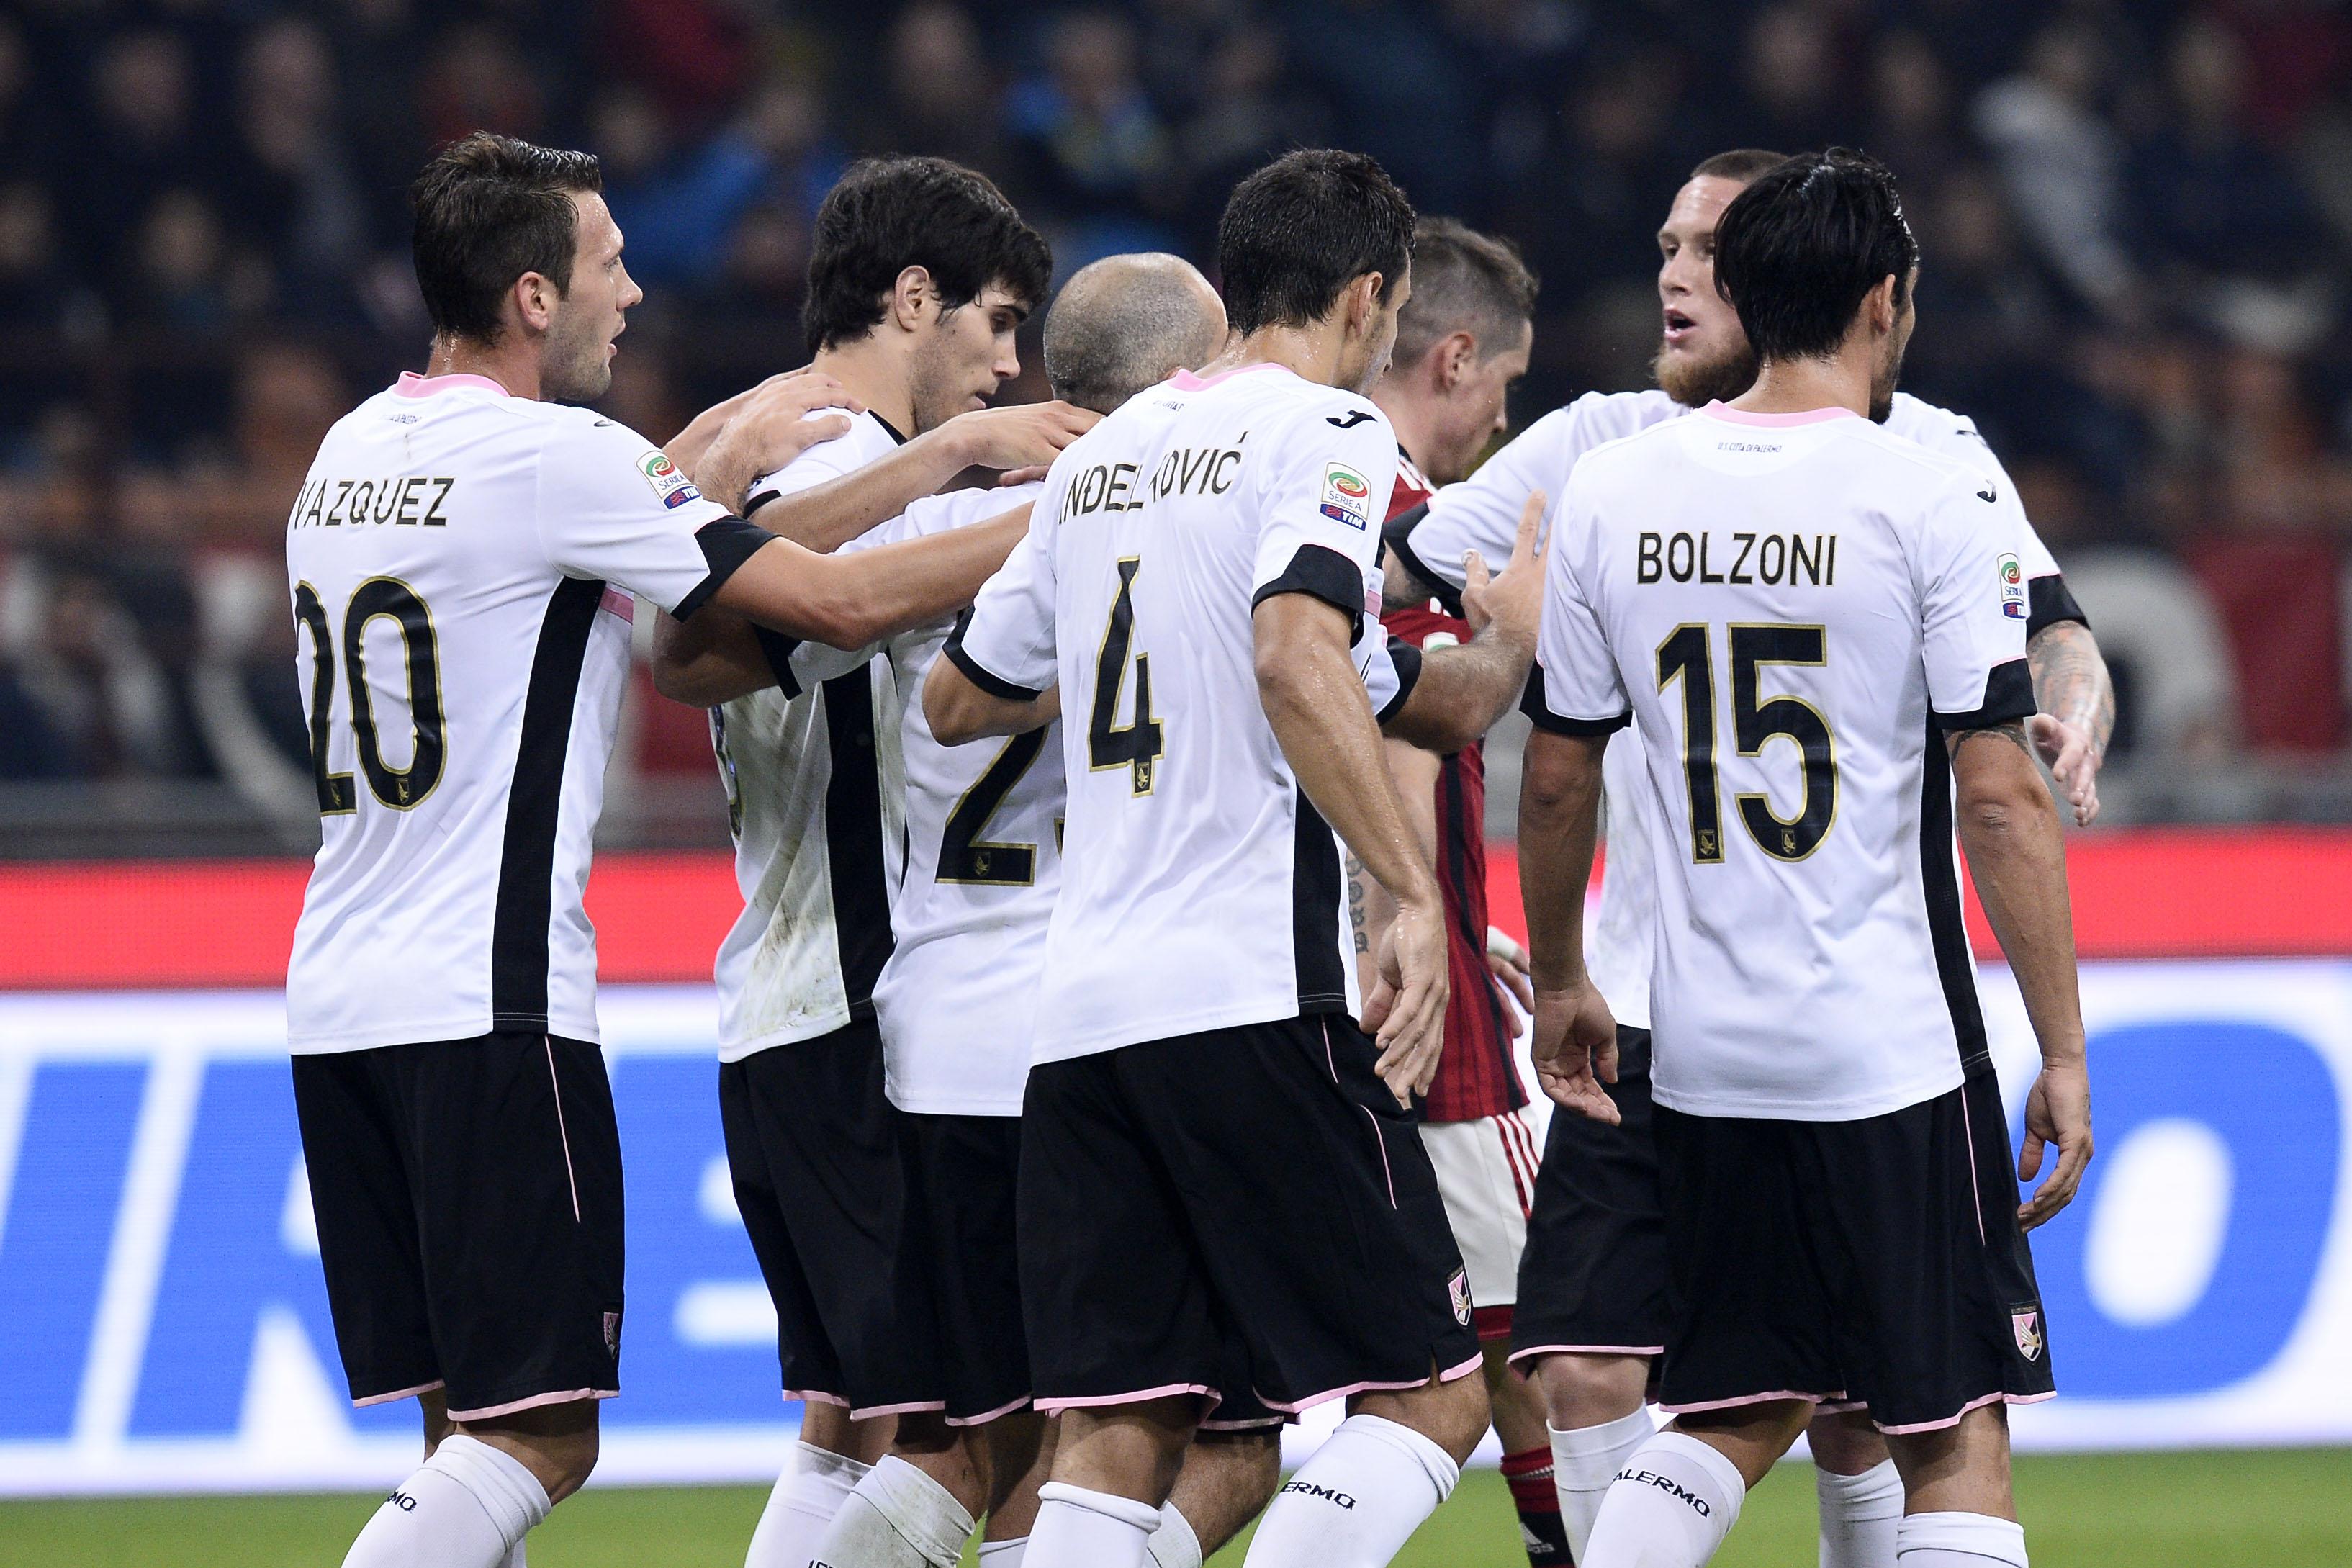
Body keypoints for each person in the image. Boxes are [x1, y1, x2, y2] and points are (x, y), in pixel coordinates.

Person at [284, 132, 1050, 1568]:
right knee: (543, 1438)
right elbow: (814, 600)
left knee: (464, 1437)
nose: (631, 291)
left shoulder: (349, 453)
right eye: (607, 264)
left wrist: (716, 448)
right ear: (532, 297)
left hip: (338, 999)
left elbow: (616, 517)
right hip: (490, 998)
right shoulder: (558, 460)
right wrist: (1043, 507)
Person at [1383, 147, 2115, 1567]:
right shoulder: (1924, 490)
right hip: (1884, 1047)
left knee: (1738, 1399)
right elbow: (1998, 801)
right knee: (1946, 1423)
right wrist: (2064, 1047)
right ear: (1882, 300)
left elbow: (1556, 774)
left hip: (1703, 1054)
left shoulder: (1615, 488)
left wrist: (1566, 977)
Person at [922, 148, 1544, 1568]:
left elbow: (955, 699)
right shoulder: (1329, 430)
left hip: (1084, 1020)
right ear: (1367, 298)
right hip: (1250, 996)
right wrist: (1405, 892)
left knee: (1118, 1431)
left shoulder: (1102, 460)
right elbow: (1291, 653)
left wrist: (1151, 647)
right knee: (1433, 1391)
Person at [644, 155, 1094, 1568]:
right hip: (862, 1017)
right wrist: (1073, 509)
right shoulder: (850, 462)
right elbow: (740, 624)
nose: (1010, 367)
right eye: (997, 322)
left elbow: (684, 621)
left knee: (854, 1422)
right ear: (912, 298)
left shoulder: (768, 439)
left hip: (780, 1005)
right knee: (995, 1431)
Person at [808, 251, 1257, 1568]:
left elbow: (766, 629)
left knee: (965, 1438)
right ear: (1181, 377)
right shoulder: (1158, 532)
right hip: (1074, 1039)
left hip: (931, 1024)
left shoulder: (938, 534)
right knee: (1140, 1436)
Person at [1361, 215, 1564, 1567]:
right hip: (1420, 1009)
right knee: (1549, 1345)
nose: (1502, 420)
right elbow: (1403, 725)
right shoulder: (1407, 523)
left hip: (1294, 980)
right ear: (1452, 356)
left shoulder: (1289, 486)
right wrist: (1409, 906)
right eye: (1504, 384)